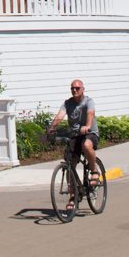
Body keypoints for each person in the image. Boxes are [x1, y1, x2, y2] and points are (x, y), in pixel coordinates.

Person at [46, 78, 100, 207]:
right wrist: (51, 128)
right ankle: (74, 195)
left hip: (89, 133)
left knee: (86, 145)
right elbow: (60, 116)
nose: (74, 90)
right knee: (69, 165)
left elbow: (90, 113)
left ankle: (94, 171)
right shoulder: (67, 103)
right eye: (72, 88)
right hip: (75, 135)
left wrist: (87, 126)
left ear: (83, 89)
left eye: (77, 88)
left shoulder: (88, 101)